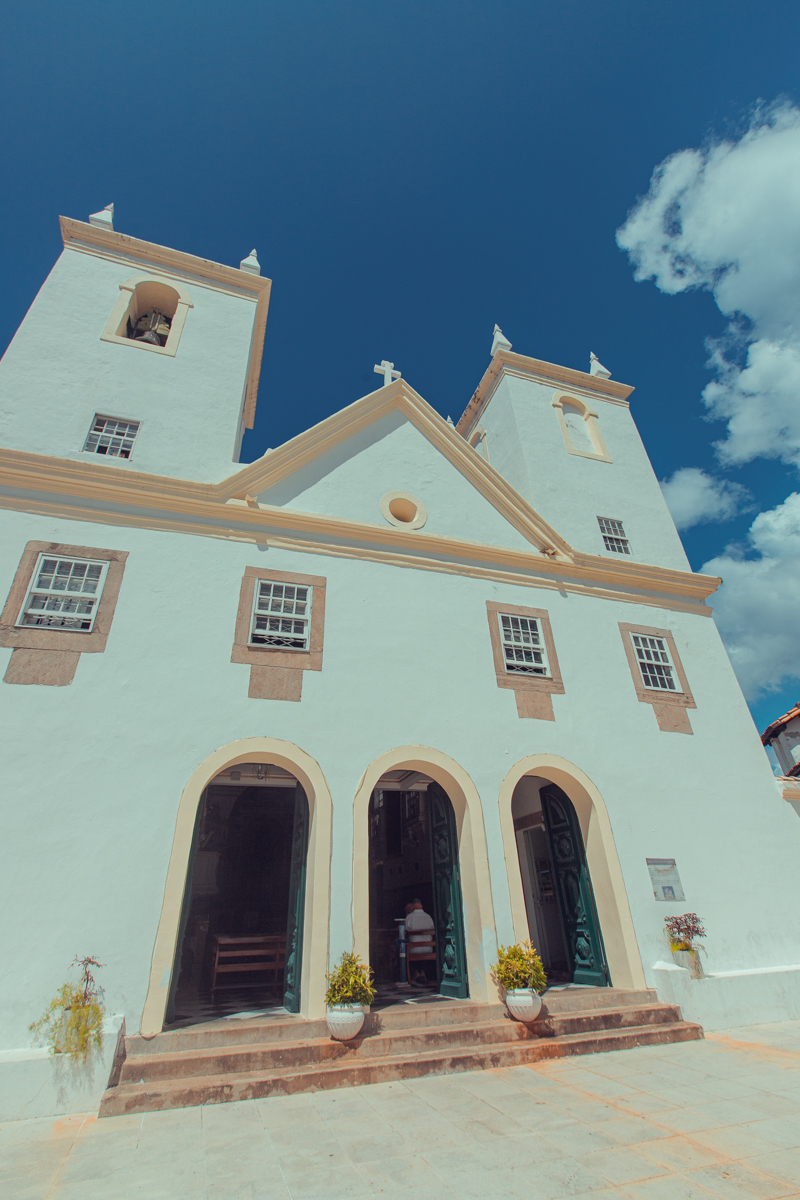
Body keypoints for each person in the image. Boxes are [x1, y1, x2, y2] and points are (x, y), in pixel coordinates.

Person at [404, 899, 435, 986]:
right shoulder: (428, 917)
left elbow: (405, 934)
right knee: (423, 951)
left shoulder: (409, 917)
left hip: (413, 949)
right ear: (421, 906)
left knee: (407, 948)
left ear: (413, 907)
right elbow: (432, 935)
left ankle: (415, 973)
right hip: (428, 948)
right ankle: (422, 972)